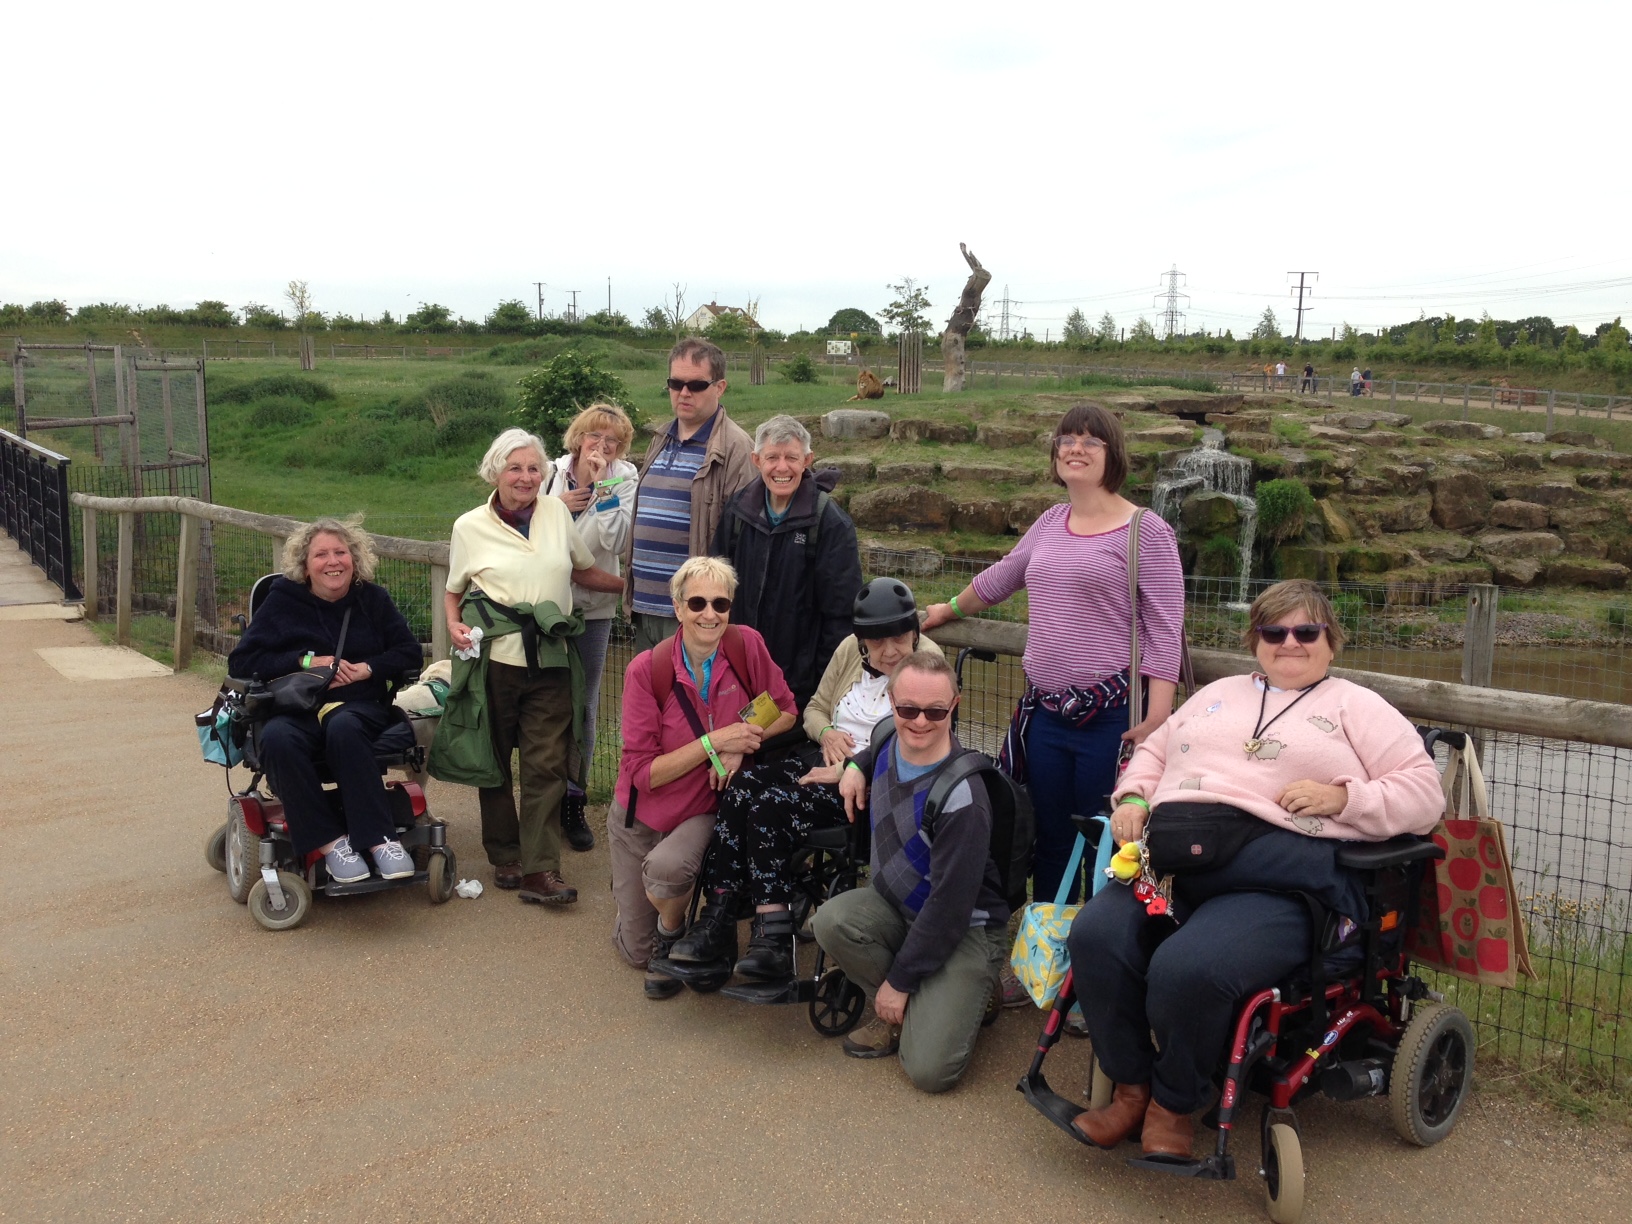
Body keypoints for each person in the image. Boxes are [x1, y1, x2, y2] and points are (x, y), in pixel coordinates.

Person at [1065, 579, 1444, 1159]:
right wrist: (1135, 798)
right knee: (1096, 935)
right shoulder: (1217, 693)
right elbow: (1155, 752)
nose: (1289, 643)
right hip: (1175, 867)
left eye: (1306, 631)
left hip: (1276, 882)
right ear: (1256, 640)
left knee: (1188, 967)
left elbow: (1425, 794)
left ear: (1331, 642)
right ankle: (1130, 1089)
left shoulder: (1355, 706)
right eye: (1274, 631)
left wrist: (1344, 799)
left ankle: (1173, 1104)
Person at [922, 403, 1185, 905]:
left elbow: (1165, 630)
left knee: (1107, 845)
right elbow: (1002, 577)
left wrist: (1156, 721)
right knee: (1049, 841)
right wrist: (946, 608)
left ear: (1114, 455)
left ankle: (1094, 972)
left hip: (1112, 718)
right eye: (1066, 439)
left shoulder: (1145, 532)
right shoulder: (1050, 521)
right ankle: (1047, 966)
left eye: (1090, 441)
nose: (1075, 449)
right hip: (1044, 714)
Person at [663, 578, 942, 982]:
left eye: (898, 638)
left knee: (770, 807)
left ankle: (773, 938)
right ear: (861, 639)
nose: (889, 650)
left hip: (875, 781)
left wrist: (856, 764)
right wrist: (827, 731)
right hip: (824, 759)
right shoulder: (851, 650)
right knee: (742, 787)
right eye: (876, 641)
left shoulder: (927, 663)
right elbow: (814, 708)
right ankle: (718, 918)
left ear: (914, 633)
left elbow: (925, 736)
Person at [441, 428, 625, 904]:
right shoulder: (469, 526)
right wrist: (452, 624)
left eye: (532, 468)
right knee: (496, 760)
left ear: (543, 473)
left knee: (547, 763)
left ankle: (540, 870)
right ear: (495, 472)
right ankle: (505, 855)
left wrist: (633, 588)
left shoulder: (557, 514)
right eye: (515, 468)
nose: (525, 477)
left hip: (551, 658)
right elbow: (454, 589)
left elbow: (582, 570)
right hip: (494, 660)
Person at [813, 651, 1010, 1093]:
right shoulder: (885, 738)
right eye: (907, 709)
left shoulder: (964, 800)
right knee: (830, 920)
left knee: (928, 1071)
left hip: (963, 927)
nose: (920, 721)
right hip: (898, 907)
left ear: (954, 707)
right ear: (891, 702)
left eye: (936, 711)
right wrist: (852, 768)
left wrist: (899, 983)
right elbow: (871, 749)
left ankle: (960, 993)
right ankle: (923, 1002)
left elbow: (950, 910)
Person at [609, 556, 798, 999]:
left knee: (668, 871)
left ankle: (673, 932)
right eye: (697, 602)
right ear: (677, 608)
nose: (709, 614)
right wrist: (715, 742)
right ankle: (641, 905)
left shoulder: (744, 646)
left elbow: (783, 709)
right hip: (644, 813)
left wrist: (742, 740)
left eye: (720, 603)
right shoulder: (648, 670)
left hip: (704, 807)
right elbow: (642, 774)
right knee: (636, 951)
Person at [228, 517, 425, 884]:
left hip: (359, 705)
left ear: (354, 559)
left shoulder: (373, 600)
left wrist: (369, 668)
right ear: (305, 566)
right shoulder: (283, 602)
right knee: (277, 738)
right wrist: (304, 661)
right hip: (297, 707)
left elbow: (409, 654)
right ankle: (331, 843)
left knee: (345, 726)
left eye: (341, 552)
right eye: (321, 554)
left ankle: (380, 840)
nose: (333, 561)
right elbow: (242, 662)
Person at [711, 414, 863, 710]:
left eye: (792, 457)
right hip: (737, 675)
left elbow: (841, 616)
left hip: (799, 685)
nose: (782, 468)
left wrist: (823, 690)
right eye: (772, 458)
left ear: (807, 460)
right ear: (756, 460)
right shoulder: (737, 511)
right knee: (738, 749)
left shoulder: (830, 523)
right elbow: (715, 591)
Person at [541, 402, 638, 853]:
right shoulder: (548, 473)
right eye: (594, 437)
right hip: (543, 607)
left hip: (593, 611)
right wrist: (554, 507)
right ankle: (542, 795)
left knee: (584, 704)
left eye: (611, 441)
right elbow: (525, 526)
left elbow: (616, 540)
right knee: (541, 701)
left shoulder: (625, 477)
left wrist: (603, 489)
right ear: (578, 437)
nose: (601, 447)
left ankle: (574, 800)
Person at [625, 337, 755, 655]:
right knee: (649, 701)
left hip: (694, 614)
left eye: (696, 385)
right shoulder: (661, 437)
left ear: (720, 387)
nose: (684, 393)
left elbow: (744, 541)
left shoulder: (735, 447)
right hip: (645, 609)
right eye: (675, 383)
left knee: (693, 703)